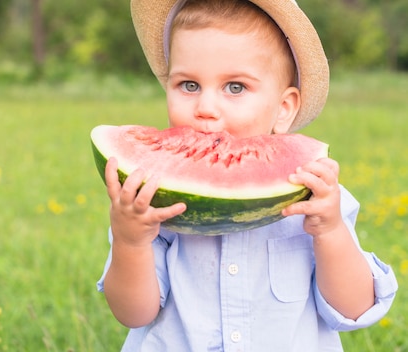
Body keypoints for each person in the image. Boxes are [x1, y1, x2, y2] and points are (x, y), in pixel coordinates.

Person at [96, 0, 398, 350]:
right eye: (189, 85)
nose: (205, 108)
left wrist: (330, 232)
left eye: (235, 87)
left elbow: (354, 308)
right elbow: (134, 314)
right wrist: (131, 241)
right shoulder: (152, 201)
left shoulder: (318, 199)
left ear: (283, 108)